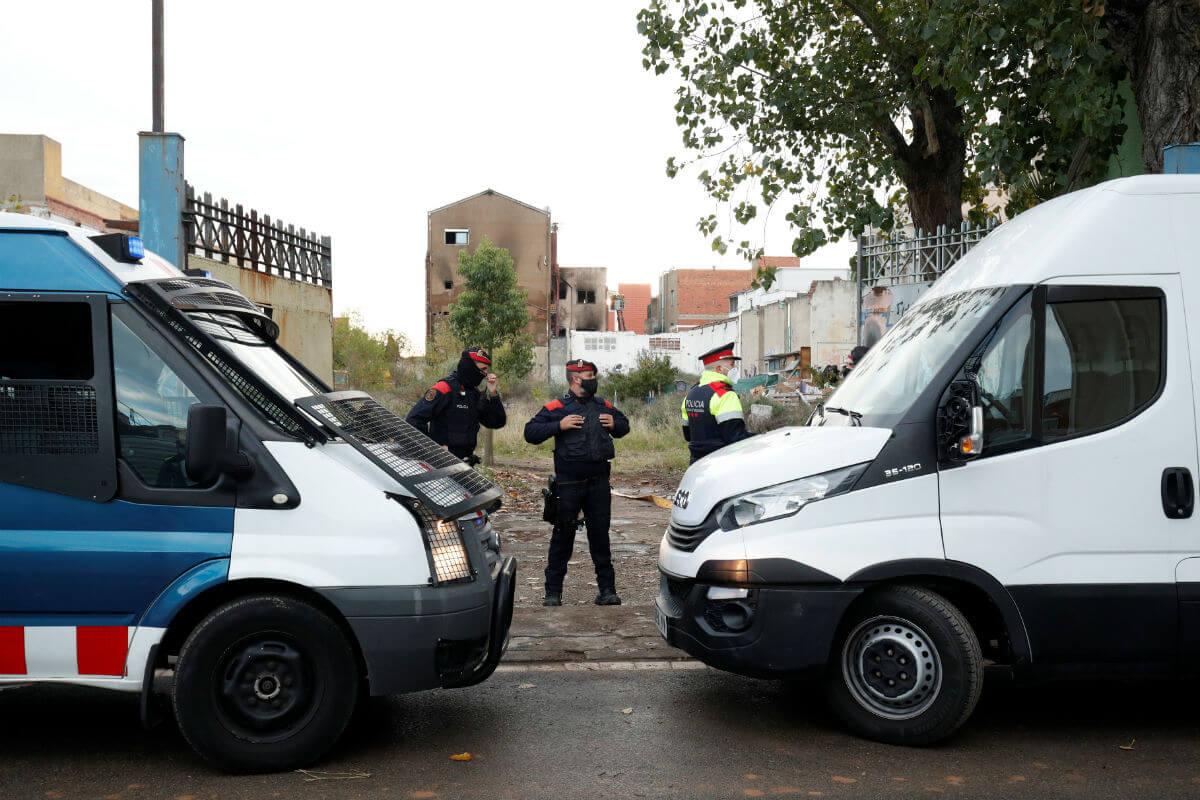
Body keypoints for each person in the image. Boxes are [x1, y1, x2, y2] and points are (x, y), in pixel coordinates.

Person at [524, 359, 630, 607]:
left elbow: (624, 426)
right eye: (589, 375)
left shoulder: (603, 404)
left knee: (600, 538)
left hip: (599, 484)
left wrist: (615, 424)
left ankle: (607, 591)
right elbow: (530, 433)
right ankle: (552, 593)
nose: (594, 378)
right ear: (575, 379)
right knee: (562, 538)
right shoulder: (557, 406)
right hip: (568, 485)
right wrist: (558, 425)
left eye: (594, 374)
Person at [406, 347, 505, 464]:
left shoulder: (475, 394)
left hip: (465, 465)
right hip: (440, 464)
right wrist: (433, 450)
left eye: (486, 370)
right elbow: (413, 421)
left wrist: (493, 394)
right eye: (483, 369)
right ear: (471, 367)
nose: (485, 374)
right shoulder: (444, 388)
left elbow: (497, 422)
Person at [681, 342, 751, 463]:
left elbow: (688, 435)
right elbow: (736, 439)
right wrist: (762, 438)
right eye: (732, 364)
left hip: (696, 464)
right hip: (721, 464)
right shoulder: (725, 395)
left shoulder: (690, 394)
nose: (735, 369)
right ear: (719, 369)